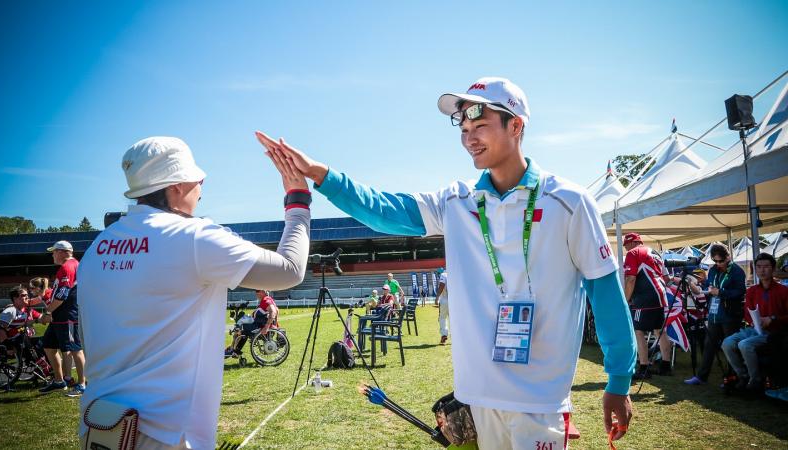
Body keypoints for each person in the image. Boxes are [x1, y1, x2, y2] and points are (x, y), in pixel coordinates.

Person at [256, 76, 636, 448]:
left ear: (516, 125)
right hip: (475, 400)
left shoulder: (569, 201)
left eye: (481, 125)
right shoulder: (456, 201)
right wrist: (322, 176)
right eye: (464, 127)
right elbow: (384, 208)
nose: (469, 137)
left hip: (540, 402)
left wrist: (618, 379)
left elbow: (605, 293)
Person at [78, 136, 311, 450]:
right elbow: (290, 270)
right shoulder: (191, 236)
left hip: (103, 426)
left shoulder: (99, 246)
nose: (202, 185)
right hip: (166, 433)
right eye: (197, 179)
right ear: (175, 186)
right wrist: (298, 200)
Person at [721, 253, 788, 392]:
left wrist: (772, 318)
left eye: (766, 267)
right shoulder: (752, 290)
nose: (762, 270)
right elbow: (747, 313)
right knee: (727, 343)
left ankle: (755, 380)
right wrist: (753, 321)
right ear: (755, 269)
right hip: (754, 329)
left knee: (745, 345)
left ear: (773, 268)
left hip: (774, 332)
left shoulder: (783, 290)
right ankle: (743, 376)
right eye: (759, 267)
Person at [685, 243, 746, 386]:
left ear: (728, 257)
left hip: (730, 315)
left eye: (721, 261)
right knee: (709, 345)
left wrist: (721, 292)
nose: (718, 264)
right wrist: (700, 288)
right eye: (715, 261)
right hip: (714, 314)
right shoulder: (713, 270)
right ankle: (701, 377)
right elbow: (708, 287)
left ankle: (733, 378)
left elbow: (740, 292)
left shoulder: (737, 271)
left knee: (730, 346)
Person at [38, 240, 86, 397]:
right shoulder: (69, 266)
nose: (52, 254)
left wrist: (47, 312)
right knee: (48, 346)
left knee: (75, 349)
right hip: (60, 316)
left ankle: (82, 384)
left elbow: (62, 295)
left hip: (67, 316)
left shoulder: (67, 267)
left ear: (63, 252)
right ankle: (59, 381)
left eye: (54, 251)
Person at [622, 233, 673, 378]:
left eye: (626, 245)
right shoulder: (655, 252)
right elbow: (667, 278)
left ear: (632, 243)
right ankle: (666, 366)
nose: (626, 249)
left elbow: (631, 279)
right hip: (660, 295)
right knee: (660, 331)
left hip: (645, 298)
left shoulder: (633, 253)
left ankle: (644, 368)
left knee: (638, 332)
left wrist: (626, 300)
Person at [29, 277, 75, 385]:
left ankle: (66, 377)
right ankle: (59, 375)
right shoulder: (43, 294)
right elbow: (32, 301)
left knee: (66, 349)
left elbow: (51, 313)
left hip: (62, 322)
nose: (30, 290)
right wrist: (19, 303)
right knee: (49, 346)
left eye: (32, 288)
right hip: (56, 323)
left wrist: (42, 318)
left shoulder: (48, 295)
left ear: (38, 288)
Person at [0, 286, 51, 358]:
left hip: (26, 341)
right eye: (23, 295)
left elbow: (43, 319)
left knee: (47, 341)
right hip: (15, 344)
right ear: (15, 298)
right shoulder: (10, 311)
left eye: (27, 295)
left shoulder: (28, 310)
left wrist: (50, 309)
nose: (27, 297)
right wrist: (8, 346)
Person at [224, 289, 280, 357]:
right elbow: (277, 310)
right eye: (255, 291)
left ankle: (233, 350)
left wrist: (267, 326)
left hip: (259, 326)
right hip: (258, 324)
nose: (256, 293)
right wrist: (275, 323)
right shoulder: (267, 299)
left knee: (241, 330)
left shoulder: (266, 300)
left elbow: (273, 311)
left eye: (257, 291)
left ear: (264, 291)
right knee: (241, 330)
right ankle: (234, 350)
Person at [434, 267, 449, 345]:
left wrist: (437, 297)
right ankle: (457, 337)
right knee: (454, 319)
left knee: (442, 318)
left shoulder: (443, 274)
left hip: (445, 299)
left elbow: (441, 285)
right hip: (455, 301)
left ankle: (444, 335)